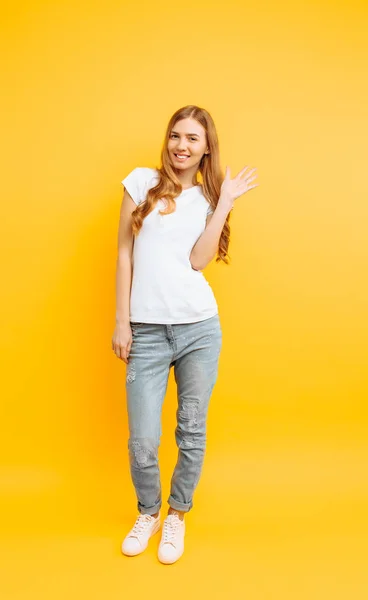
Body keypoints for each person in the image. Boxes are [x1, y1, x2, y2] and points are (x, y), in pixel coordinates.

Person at [112, 105, 258, 564]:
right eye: (176, 135)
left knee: (191, 431)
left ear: (206, 147)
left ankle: (176, 515)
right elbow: (122, 253)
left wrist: (227, 202)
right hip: (148, 331)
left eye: (193, 138)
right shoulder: (140, 183)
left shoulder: (209, 200)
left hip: (198, 328)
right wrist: (121, 321)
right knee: (143, 438)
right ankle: (149, 512)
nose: (181, 145)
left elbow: (197, 262)